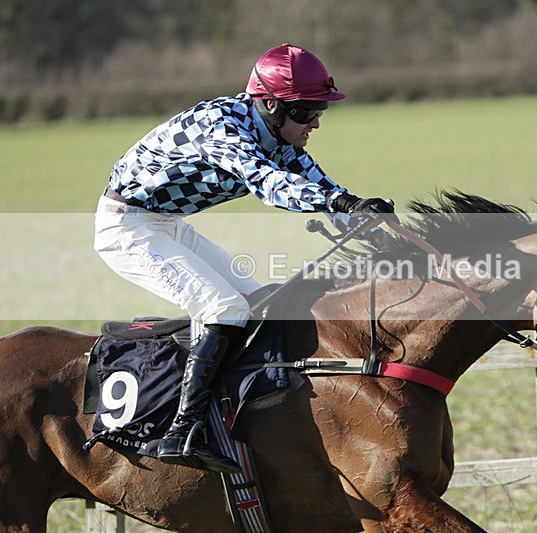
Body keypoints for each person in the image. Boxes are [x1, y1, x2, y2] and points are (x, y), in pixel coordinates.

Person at [93, 43, 394, 473]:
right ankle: (183, 430)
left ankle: (238, 414)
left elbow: (325, 193)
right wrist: (344, 203)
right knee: (224, 306)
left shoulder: (277, 136)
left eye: (319, 111)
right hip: (126, 226)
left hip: (167, 224)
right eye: (307, 111)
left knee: (257, 303)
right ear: (270, 104)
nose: (316, 123)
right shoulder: (222, 126)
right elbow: (269, 184)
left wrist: (373, 222)